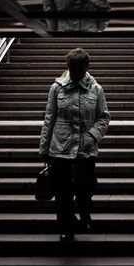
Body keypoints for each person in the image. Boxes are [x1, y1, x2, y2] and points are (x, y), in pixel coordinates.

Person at [39, 47, 110, 242]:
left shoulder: (96, 89)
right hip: (59, 147)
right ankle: (66, 227)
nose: (74, 72)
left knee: (86, 185)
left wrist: (91, 137)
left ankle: (85, 211)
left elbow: (103, 117)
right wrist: (44, 148)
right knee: (62, 191)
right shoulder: (57, 88)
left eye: (78, 68)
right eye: (71, 68)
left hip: (85, 149)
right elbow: (49, 117)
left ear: (86, 67)